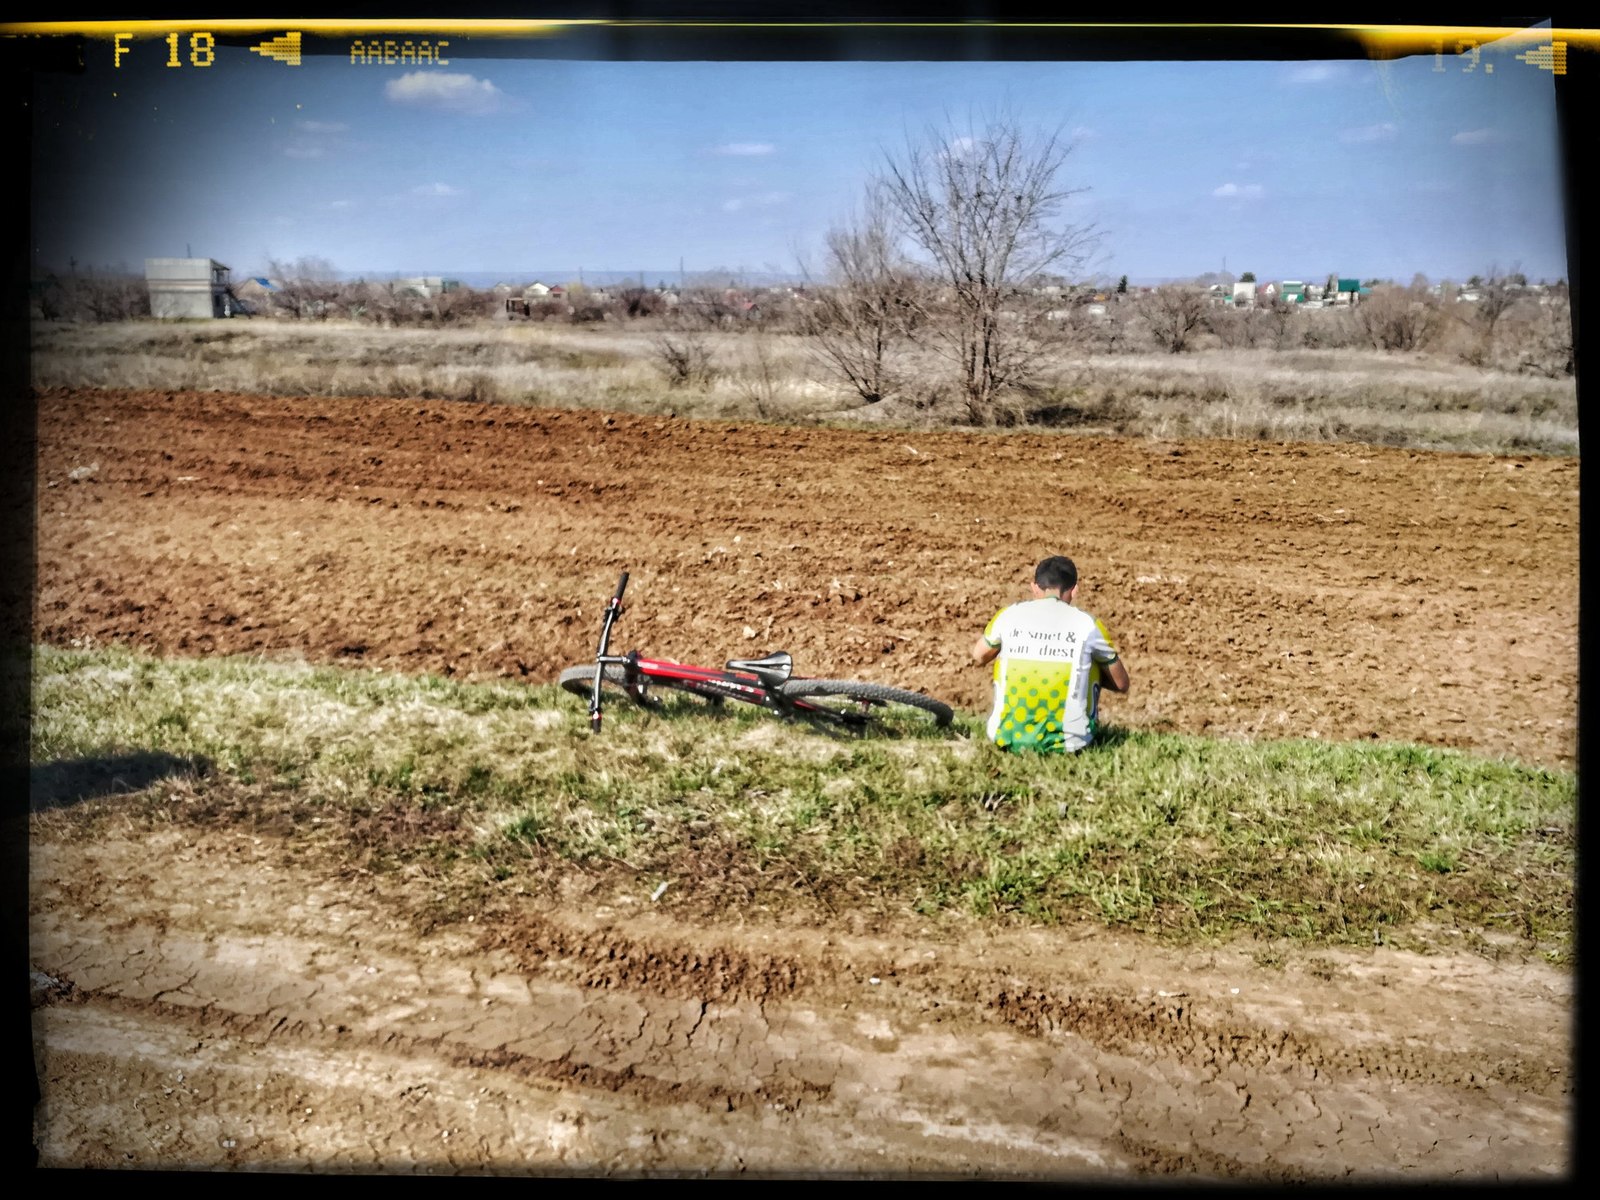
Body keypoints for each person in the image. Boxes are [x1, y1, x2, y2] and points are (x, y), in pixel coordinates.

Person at [971, 555, 1129, 753]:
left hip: (1004, 737)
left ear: (1034, 587)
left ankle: (1012, 721)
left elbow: (979, 656)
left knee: (1000, 651)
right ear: (1074, 590)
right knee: (1093, 661)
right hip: (1070, 744)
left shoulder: (1007, 615)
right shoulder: (1088, 624)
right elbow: (1122, 684)